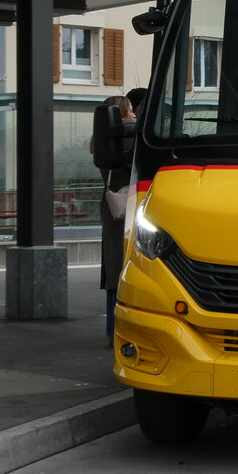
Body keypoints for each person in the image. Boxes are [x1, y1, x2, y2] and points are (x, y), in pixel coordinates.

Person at [98, 95, 135, 342]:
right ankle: (118, 330)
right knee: (123, 268)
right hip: (124, 207)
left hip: (111, 207)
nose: (134, 116)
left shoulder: (101, 142)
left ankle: (113, 329)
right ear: (119, 116)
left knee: (114, 269)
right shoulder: (125, 142)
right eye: (130, 111)